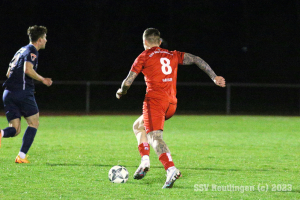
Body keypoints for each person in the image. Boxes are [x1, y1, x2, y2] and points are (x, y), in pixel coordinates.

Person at [116, 28, 226, 189]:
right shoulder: (172, 54)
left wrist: (121, 92)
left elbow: (127, 82)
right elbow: (196, 59)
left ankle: (171, 169)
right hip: (171, 104)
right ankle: (145, 162)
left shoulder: (143, 56)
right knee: (138, 127)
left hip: (155, 101)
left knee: (155, 137)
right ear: (160, 42)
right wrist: (214, 77)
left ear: (145, 42)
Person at [0, 25, 52, 163]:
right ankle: (21, 157)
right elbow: (28, 70)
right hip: (22, 92)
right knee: (34, 123)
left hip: (8, 93)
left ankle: (1, 133)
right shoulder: (32, 51)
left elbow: (8, 73)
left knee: (15, 130)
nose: (46, 40)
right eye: (45, 38)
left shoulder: (20, 50)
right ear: (39, 40)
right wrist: (43, 79)